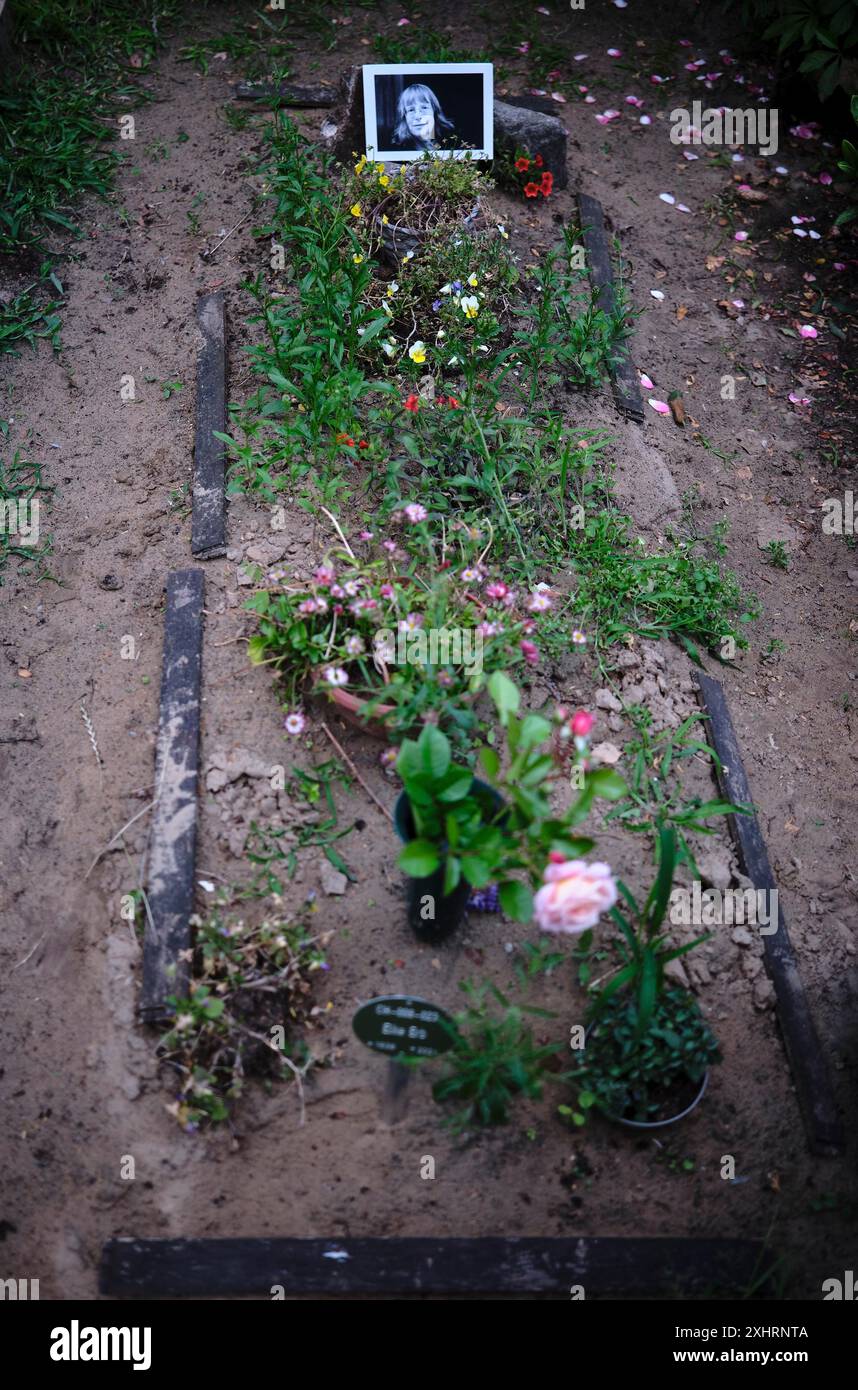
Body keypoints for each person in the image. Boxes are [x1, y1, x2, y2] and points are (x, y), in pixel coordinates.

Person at [391, 83, 456, 151]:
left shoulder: (453, 144)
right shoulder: (394, 152)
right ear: (404, 117)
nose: (418, 116)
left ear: (435, 111)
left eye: (424, 107)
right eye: (411, 110)